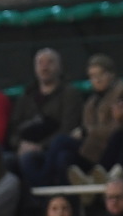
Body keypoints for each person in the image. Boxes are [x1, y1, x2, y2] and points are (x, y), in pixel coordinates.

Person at [10, 49, 83, 186]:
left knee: (38, 159)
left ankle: (47, 196)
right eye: (40, 63)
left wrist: (40, 146)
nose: (44, 67)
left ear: (59, 67)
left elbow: (68, 127)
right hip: (27, 146)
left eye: (50, 62)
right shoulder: (26, 96)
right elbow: (13, 128)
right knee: (9, 160)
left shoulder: (70, 93)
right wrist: (20, 144)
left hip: (56, 147)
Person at [58, 54, 123, 186]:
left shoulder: (121, 93)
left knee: (60, 141)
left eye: (101, 74)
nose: (97, 80)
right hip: (90, 145)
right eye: (92, 76)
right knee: (63, 157)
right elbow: (87, 124)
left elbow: (117, 128)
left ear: (111, 74)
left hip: (106, 145)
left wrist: (87, 132)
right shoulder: (91, 101)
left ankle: (44, 182)